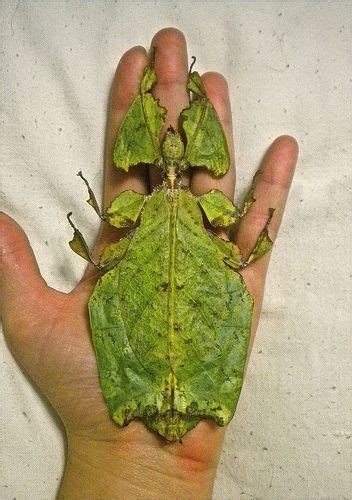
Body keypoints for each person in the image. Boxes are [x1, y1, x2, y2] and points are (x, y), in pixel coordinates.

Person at [0, 28, 298, 499]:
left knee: (113, 275)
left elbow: (112, 228)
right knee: (231, 287)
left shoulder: (137, 214)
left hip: (164, 385)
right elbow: (236, 235)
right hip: (149, 385)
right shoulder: (205, 213)